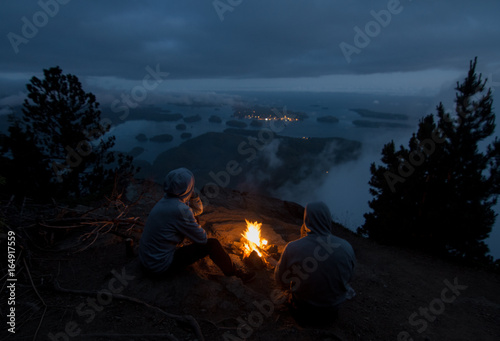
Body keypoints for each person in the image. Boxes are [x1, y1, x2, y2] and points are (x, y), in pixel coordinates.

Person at [139, 167, 254, 281]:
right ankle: (234, 274)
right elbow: (202, 239)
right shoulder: (180, 210)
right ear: (187, 188)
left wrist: (193, 196)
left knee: (194, 220)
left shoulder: (166, 201)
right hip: (159, 266)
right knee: (213, 245)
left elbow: (197, 211)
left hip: (147, 260)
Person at [274, 201, 356, 326]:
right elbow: (349, 277)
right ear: (328, 218)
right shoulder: (346, 247)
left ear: (306, 218)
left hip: (302, 311)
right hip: (331, 313)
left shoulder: (292, 247)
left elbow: (280, 281)